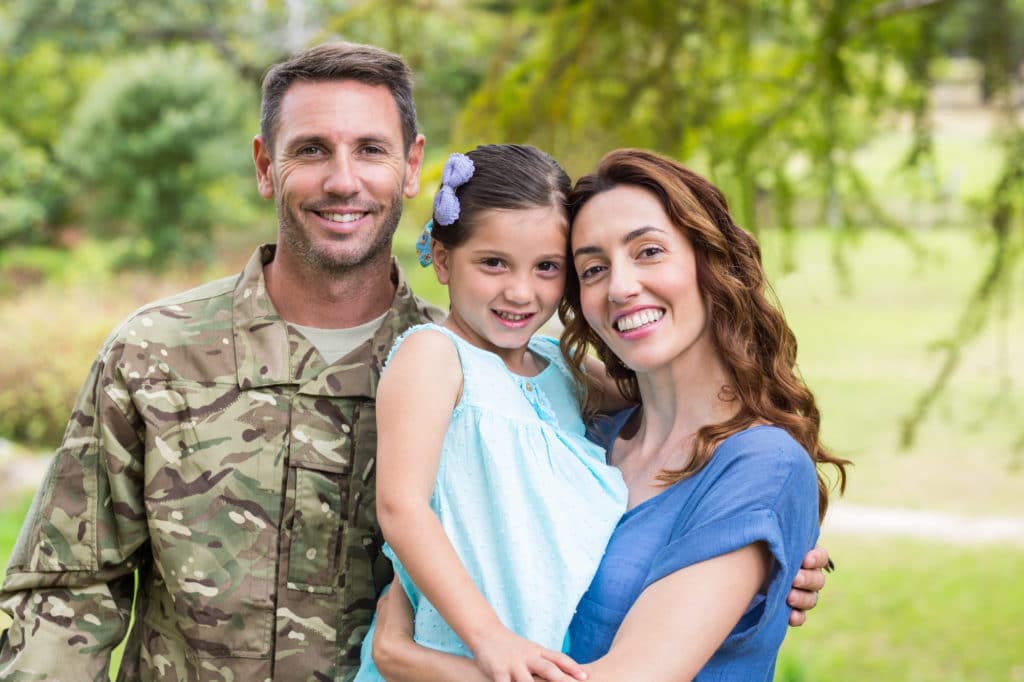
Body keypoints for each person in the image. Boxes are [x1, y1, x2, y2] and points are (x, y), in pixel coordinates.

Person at [0, 42, 828, 680]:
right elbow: (62, 587)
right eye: (310, 150)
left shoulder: (513, 373)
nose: (342, 179)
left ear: (410, 169)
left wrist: (786, 550)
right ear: (265, 166)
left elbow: (699, 449)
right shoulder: (156, 354)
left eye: (369, 150)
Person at [370, 148, 850, 682]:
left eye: (648, 251)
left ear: (709, 260)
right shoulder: (591, 432)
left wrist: (409, 662)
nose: (620, 287)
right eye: (594, 268)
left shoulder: (758, 464)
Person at [355, 145, 629, 682]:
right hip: (454, 650)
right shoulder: (434, 356)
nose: (520, 292)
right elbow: (402, 506)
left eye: (546, 267)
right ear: (441, 256)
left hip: (542, 650)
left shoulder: (561, 364)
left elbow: (673, 408)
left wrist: (767, 523)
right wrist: (490, 638)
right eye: (494, 262)